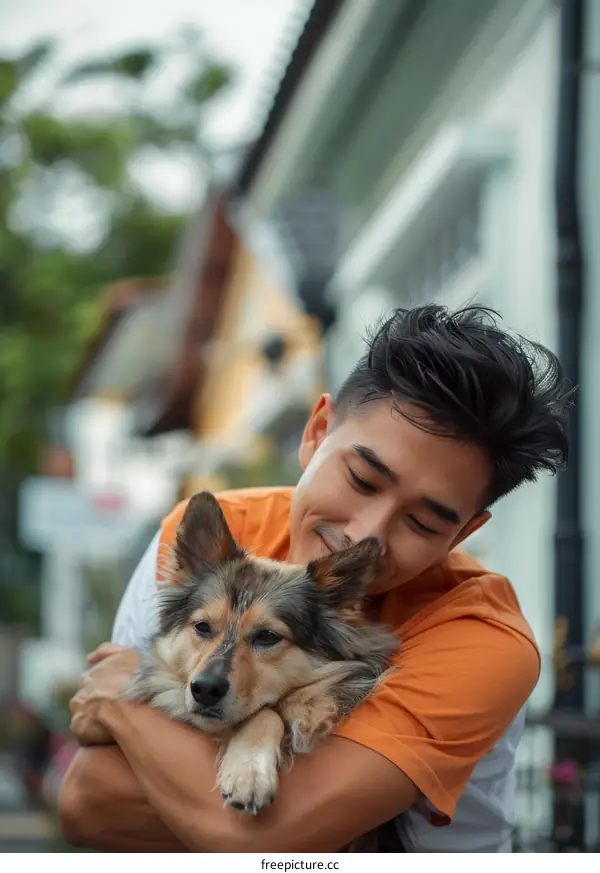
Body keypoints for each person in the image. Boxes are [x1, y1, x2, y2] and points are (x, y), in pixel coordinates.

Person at [58, 304, 572, 852]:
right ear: (317, 430)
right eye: (362, 479)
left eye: (422, 523)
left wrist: (119, 702)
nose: (366, 535)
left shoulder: (481, 639)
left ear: (462, 533)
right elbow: (88, 799)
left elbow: (264, 844)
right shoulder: (209, 537)